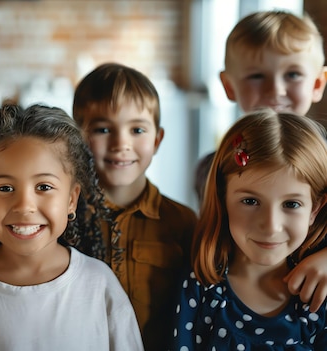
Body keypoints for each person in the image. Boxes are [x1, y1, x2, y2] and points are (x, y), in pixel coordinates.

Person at [0, 104, 143, 350]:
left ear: (71, 200)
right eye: (5, 188)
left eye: (44, 187)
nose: (25, 206)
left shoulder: (99, 284)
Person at [198, 10, 327, 312]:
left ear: (318, 83)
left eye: (293, 74)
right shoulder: (213, 168)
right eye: (257, 76)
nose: (275, 90)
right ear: (229, 86)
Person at [172, 110, 327, 350]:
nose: (271, 225)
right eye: (251, 201)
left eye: (291, 204)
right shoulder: (201, 288)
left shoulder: (320, 296)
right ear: (223, 198)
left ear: (315, 210)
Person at [72, 62, 197, 350]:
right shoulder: (63, 218)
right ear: (78, 138)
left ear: (157, 139)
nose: (121, 143)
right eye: (103, 129)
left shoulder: (182, 223)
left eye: (137, 129)